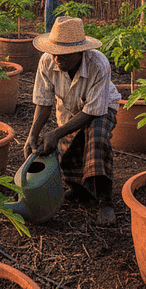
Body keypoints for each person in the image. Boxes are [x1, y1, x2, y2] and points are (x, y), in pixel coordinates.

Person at [24, 16, 120, 226]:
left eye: (65, 54)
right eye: (55, 52)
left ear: (80, 52)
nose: (58, 58)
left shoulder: (98, 64)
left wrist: (56, 132)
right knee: (67, 147)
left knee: (97, 139)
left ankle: (105, 201)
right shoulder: (47, 62)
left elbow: (94, 110)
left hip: (103, 107)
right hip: (70, 108)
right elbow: (44, 101)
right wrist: (33, 134)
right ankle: (79, 190)